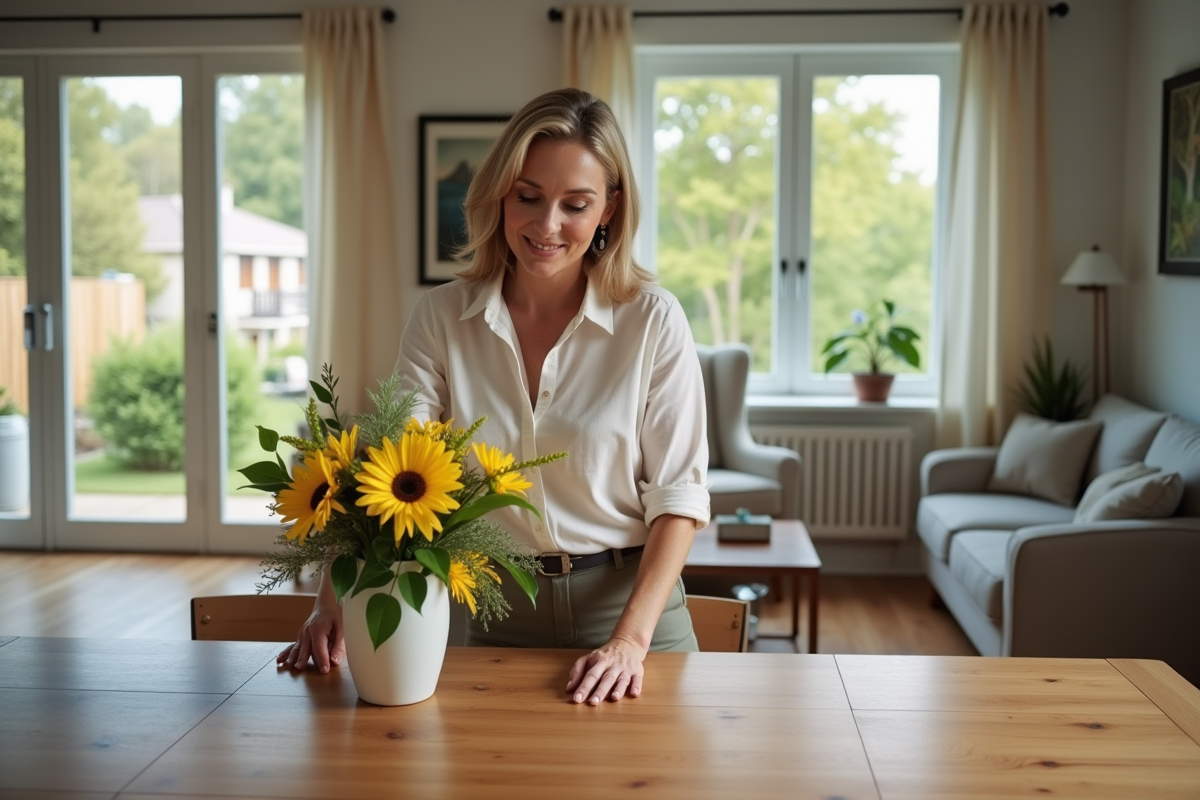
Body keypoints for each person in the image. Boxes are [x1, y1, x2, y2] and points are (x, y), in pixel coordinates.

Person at [279, 88, 710, 706]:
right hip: (497, 612)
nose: (546, 225)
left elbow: (678, 499)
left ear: (609, 209)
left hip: (635, 621)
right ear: (500, 195)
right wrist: (331, 601)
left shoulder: (653, 320)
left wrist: (628, 642)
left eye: (575, 204)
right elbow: (388, 470)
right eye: (528, 197)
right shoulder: (440, 318)